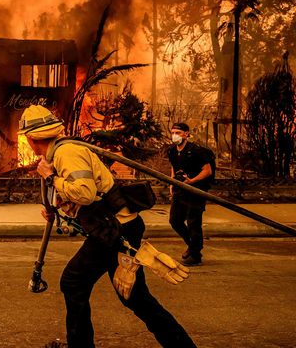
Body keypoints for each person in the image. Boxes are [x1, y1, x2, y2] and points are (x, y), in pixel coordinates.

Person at [19, 105, 195, 348]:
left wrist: (50, 177)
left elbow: (85, 193)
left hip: (115, 229)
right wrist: (57, 206)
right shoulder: (59, 152)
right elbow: (80, 192)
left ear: (30, 138)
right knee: (135, 298)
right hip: (116, 227)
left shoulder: (65, 153)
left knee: (74, 281)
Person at [167, 122, 213, 266]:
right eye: (173, 132)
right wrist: (171, 183)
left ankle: (195, 254)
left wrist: (192, 181)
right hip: (179, 191)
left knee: (193, 222)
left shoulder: (197, 151)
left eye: (178, 133)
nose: (175, 136)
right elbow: (174, 168)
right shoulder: (172, 151)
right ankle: (193, 247)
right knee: (175, 221)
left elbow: (207, 170)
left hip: (196, 191)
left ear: (186, 134)